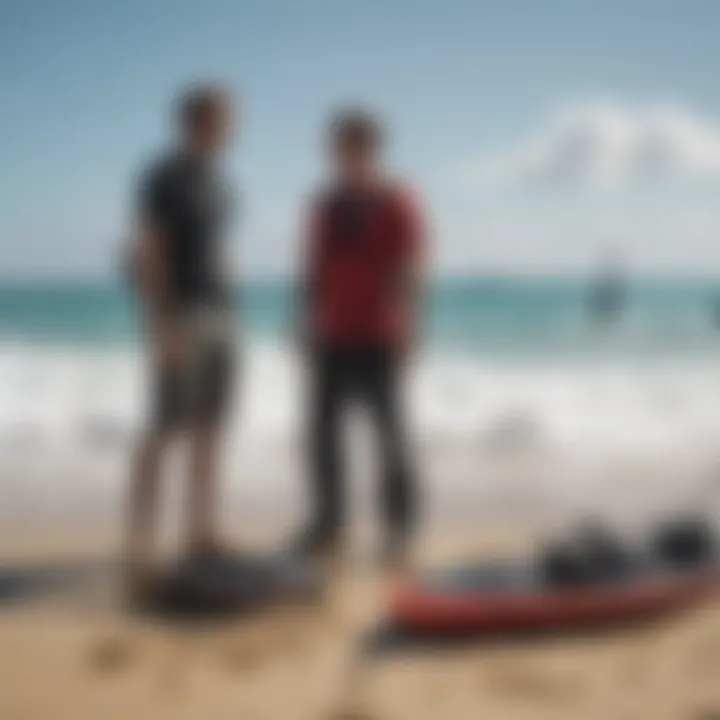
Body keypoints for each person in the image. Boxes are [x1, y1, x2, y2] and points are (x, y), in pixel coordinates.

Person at [293, 109, 427, 566]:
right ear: (333, 152)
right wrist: (304, 320)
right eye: (342, 146)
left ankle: (400, 530)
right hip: (332, 336)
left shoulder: (397, 201)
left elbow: (413, 269)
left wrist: (413, 327)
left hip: (379, 336)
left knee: (392, 439)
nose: (349, 155)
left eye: (358, 146)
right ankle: (328, 524)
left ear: (374, 149)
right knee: (321, 437)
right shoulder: (324, 206)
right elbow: (311, 270)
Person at [124, 84, 238, 594]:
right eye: (220, 120)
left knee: (210, 429)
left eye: (229, 121)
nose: (229, 129)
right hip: (182, 317)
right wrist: (160, 323)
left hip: (219, 315)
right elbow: (149, 251)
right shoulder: (163, 177)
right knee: (164, 428)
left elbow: (213, 249)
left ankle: (200, 533)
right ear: (193, 122)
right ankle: (140, 544)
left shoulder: (218, 183)